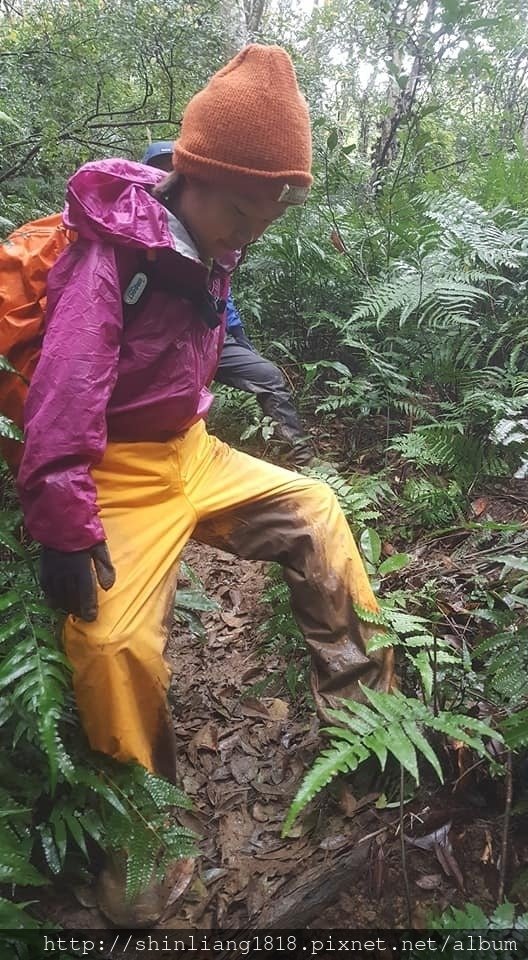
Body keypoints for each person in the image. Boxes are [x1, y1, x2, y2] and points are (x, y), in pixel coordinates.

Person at [17, 44, 394, 915]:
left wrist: (263, 381)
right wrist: (65, 527)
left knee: (317, 511)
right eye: (241, 212)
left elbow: (223, 327)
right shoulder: (111, 255)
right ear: (196, 173)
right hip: (113, 471)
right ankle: (144, 855)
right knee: (111, 649)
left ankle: (373, 730)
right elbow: (65, 395)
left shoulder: (217, 239)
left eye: (264, 218)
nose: (249, 233)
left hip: (192, 449)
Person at [142, 141, 316, 466]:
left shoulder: (218, 243)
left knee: (268, 376)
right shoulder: (133, 236)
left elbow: (223, 299)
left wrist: (238, 339)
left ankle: (300, 457)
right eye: (159, 167)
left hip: (214, 338)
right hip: (159, 353)